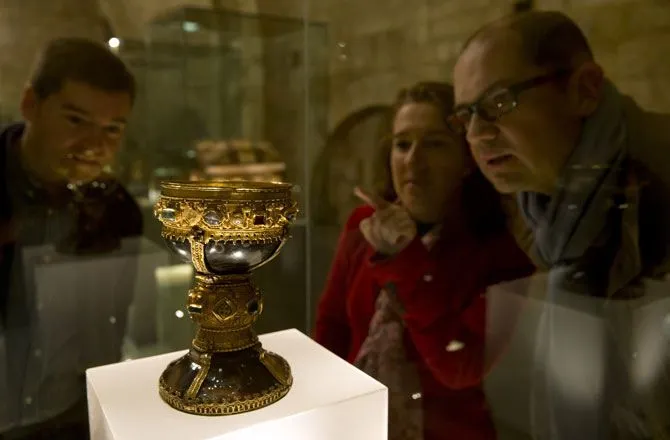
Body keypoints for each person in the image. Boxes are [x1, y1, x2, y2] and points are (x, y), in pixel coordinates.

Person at [451, 10, 670, 439]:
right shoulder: (539, 213)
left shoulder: (656, 183)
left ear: (585, 90)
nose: (477, 134)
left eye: (498, 103)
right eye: (465, 115)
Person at [314, 81, 534, 440]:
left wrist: (404, 258)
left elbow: (458, 366)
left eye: (434, 144)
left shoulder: (500, 252)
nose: (413, 160)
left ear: (466, 160)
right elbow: (333, 326)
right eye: (403, 144)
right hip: (360, 423)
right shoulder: (365, 224)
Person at [0, 37, 142, 439]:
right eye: (76, 120)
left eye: (112, 129)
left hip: (67, 419)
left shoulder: (117, 211)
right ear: (32, 104)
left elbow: (106, 336)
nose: (95, 146)